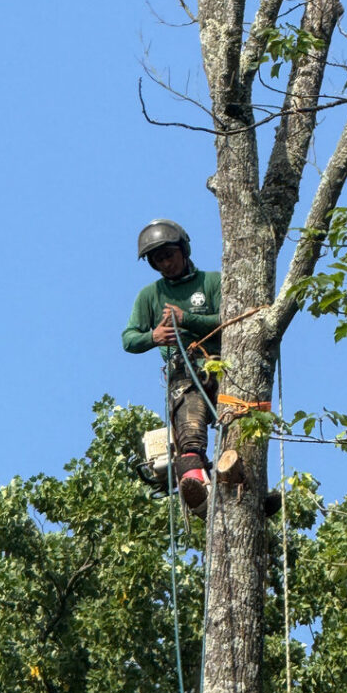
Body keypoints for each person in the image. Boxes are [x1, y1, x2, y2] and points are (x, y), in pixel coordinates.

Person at [122, 219, 221, 518]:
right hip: (184, 371)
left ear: (184, 250)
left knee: (241, 423)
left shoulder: (212, 282)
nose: (165, 264)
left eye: (169, 255)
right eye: (158, 260)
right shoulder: (150, 295)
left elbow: (231, 318)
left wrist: (187, 319)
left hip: (221, 365)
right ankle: (196, 486)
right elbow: (128, 338)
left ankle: (244, 481)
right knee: (190, 431)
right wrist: (153, 337)